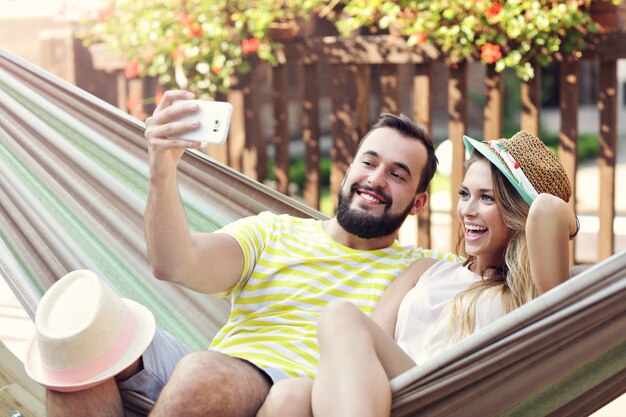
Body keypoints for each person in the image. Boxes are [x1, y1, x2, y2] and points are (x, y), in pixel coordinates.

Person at [46, 90, 453, 417]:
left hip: (293, 395)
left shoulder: (425, 274)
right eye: (369, 162)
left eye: (397, 174)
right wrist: (162, 169)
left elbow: (506, 276)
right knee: (77, 337)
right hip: (210, 380)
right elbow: (174, 263)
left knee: (203, 370)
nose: (376, 179)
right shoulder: (273, 230)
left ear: (417, 204)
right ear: (348, 171)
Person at [255, 130, 579, 417]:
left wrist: (570, 223)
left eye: (488, 198)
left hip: (452, 402)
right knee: (289, 394)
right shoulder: (426, 270)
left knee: (340, 316)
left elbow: (548, 210)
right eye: (464, 194)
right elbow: (370, 346)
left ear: (517, 212)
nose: (467, 210)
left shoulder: (531, 288)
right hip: (392, 397)